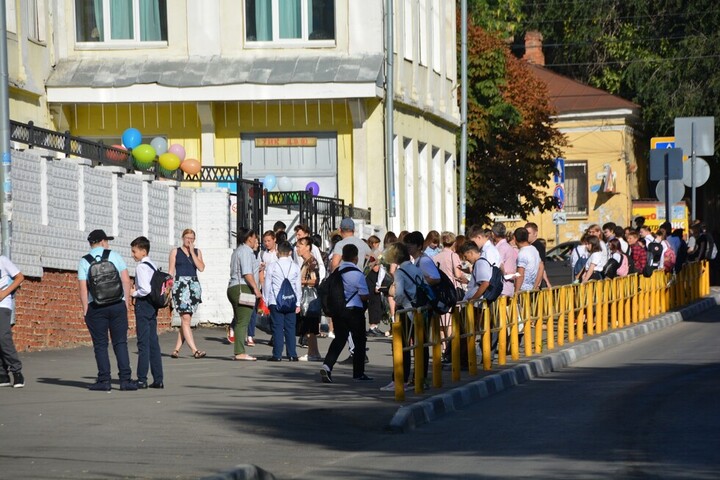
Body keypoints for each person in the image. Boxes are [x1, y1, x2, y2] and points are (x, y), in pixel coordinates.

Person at [78, 229, 137, 391]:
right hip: (117, 304)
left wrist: (85, 309)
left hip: (96, 307)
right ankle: (125, 380)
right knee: (120, 343)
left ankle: (104, 381)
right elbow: (125, 280)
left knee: (100, 345)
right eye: (107, 241)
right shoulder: (114, 256)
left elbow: (83, 289)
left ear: (91, 243)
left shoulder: (84, 261)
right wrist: (124, 303)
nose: (108, 244)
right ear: (103, 242)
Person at [319, 244, 371, 383]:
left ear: (342, 256)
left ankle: (327, 365)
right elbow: (365, 295)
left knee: (339, 340)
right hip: (354, 311)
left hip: (338, 311)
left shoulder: (336, 272)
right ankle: (358, 373)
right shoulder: (357, 274)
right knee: (359, 341)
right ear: (356, 258)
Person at [380, 242, 425, 392]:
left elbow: (398, 294)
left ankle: (399, 379)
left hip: (405, 311)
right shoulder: (414, 268)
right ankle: (417, 378)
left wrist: (396, 298)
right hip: (418, 310)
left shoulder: (400, 272)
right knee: (416, 345)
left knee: (400, 346)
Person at [129, 236, 164, 389]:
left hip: (143, 305)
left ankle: (142, 379)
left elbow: (145, 289)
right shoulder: (153, 265)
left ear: (143, 251)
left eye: (134, 251)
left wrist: (133, 293)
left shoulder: (141, 267)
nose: (132, 254)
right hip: (153, 306)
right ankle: (158, 379)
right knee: (153, 343)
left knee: (143, 343)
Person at [169, 228, 206, 359]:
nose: (189, 240)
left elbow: (201, 267)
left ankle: (176, 350)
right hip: (180, 286)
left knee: (186, 320)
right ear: (182, 238)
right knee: (185, 319)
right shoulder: (175, 252)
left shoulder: (197, 252)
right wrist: (169, 287)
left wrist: (192, 252)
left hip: (193, 286)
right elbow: (171, 271)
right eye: (187, 238)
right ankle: (195, 350)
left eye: (191, 238)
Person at [263, 241, 301, 362]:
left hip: (275, 300)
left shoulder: (272, 266)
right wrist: (298, 303)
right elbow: (297, 286)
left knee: (277, 327)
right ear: (290, 252)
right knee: (290, 327)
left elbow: (267, 284)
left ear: (278, 252)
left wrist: (266, 300)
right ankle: (292, 354)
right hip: (290, 301)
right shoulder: (295, 266)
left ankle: (277, 355)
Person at [227, 228, 261, 361]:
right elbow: (247, 273)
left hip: (233, 287)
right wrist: (256, 289)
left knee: (240, 319)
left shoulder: (237, 251)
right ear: (249, 238)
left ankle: (239, 350)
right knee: (243, 321)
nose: (255, 240)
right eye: (254, 237)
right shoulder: (246, 251)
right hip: (243, 288)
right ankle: (240, 352)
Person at [0, 254, 25, 388]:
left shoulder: (2, 260)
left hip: (3, 304)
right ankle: (3, 375)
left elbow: (19, 277)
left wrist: (5, 293)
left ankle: (17, 371)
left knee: (3, 337)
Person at [296, 237, 323, 362]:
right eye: (297, 246)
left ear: (308, 247)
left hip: (309, 297)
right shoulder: (306, 261)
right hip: (308, 296)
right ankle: (314, 352)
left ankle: (312, 353)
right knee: (309, 327)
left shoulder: (311, 262)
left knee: (310, 326)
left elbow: (315, 280)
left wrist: (302, 281)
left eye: (300, 245)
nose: (298, 248)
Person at [492, 222, 517, 298]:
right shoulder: (508, 247)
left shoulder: (501, 248)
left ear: (493, 234)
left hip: (502, 288)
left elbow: (500, 265)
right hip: (508, 286)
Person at [525, 222, 551, 289]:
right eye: (525, 233)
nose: (526, 235)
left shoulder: (538, 246)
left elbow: (541, 266)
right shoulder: (528, 246)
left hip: (534, 284)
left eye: (529, 233)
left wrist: (538, 285)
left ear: (535, 233)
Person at [514, 228, 540, 293]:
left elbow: (520, 275)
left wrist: (516, 292)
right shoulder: (534, 249)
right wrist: (536, 286)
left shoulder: (522, 253)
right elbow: (541, 267)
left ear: (514, 238)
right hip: (532, 290)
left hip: (523, 291)